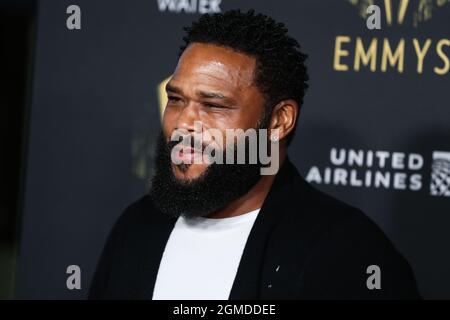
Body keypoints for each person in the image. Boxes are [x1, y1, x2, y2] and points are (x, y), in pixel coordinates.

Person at [89, 10, 420, 300]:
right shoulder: (138, 226)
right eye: (176, 99)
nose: (183, 124)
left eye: (213, 105)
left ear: (279, 120)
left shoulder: (348, 252)